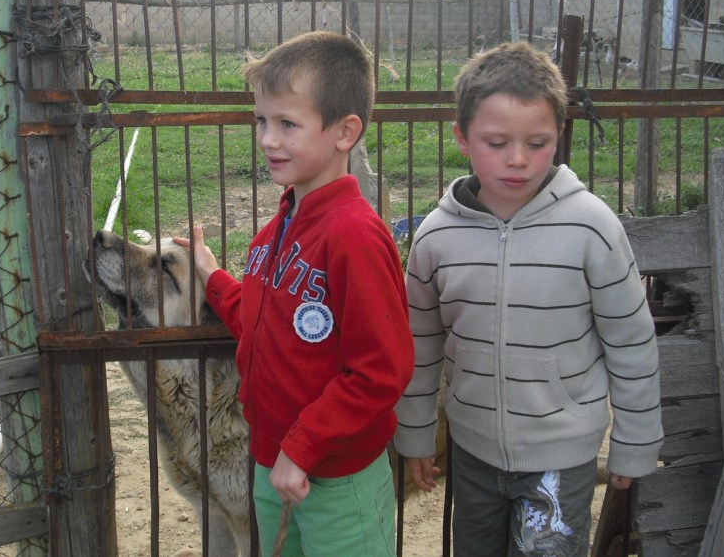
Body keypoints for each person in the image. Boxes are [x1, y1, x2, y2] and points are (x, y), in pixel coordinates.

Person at [393, 41, 664, 556]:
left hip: (561, 460)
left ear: (558, 136)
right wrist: (415, 436)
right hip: (471, 454)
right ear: (462, 138)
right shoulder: (435, 237)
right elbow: (420, 345)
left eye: (537, 143)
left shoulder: (592, 227)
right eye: (497, 142)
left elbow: (631, 341)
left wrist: (634, 444)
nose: (518, 159)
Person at [177, 30, 414, 556]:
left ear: (345, 132)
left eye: (287, 123)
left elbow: (382, 370)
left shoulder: (354, 234)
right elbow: (263, 319)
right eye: (262, 121)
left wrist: (302, 449)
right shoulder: (278, 226)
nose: (266, 139)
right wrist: (214, 276)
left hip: (337, 481)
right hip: (274, 467)